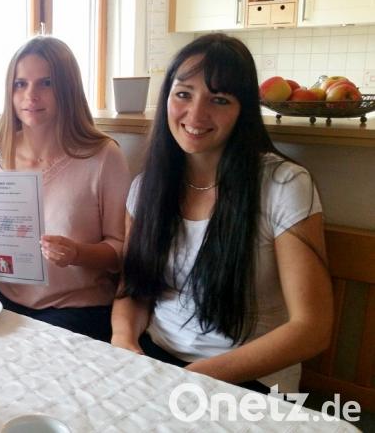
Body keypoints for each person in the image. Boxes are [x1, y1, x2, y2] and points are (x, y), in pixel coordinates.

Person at [110, 33, 332, 394]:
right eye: (183, 94)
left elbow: (312, 328)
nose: (196, 114)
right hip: (158, 362)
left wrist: (194, 378)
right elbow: (132, 290)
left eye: (219, 99)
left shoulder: (283, 184)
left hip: (251, 381)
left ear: (243, 110)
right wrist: (124, 343)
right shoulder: (145, 188)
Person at [0, 36, 130, 341]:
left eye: (46, 83)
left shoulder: (104, 157)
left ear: (67, 89)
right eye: (20, 84)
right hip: (5, 302)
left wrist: (77, 253)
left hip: (79, 307)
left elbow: (122, 252)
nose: (31, 95)